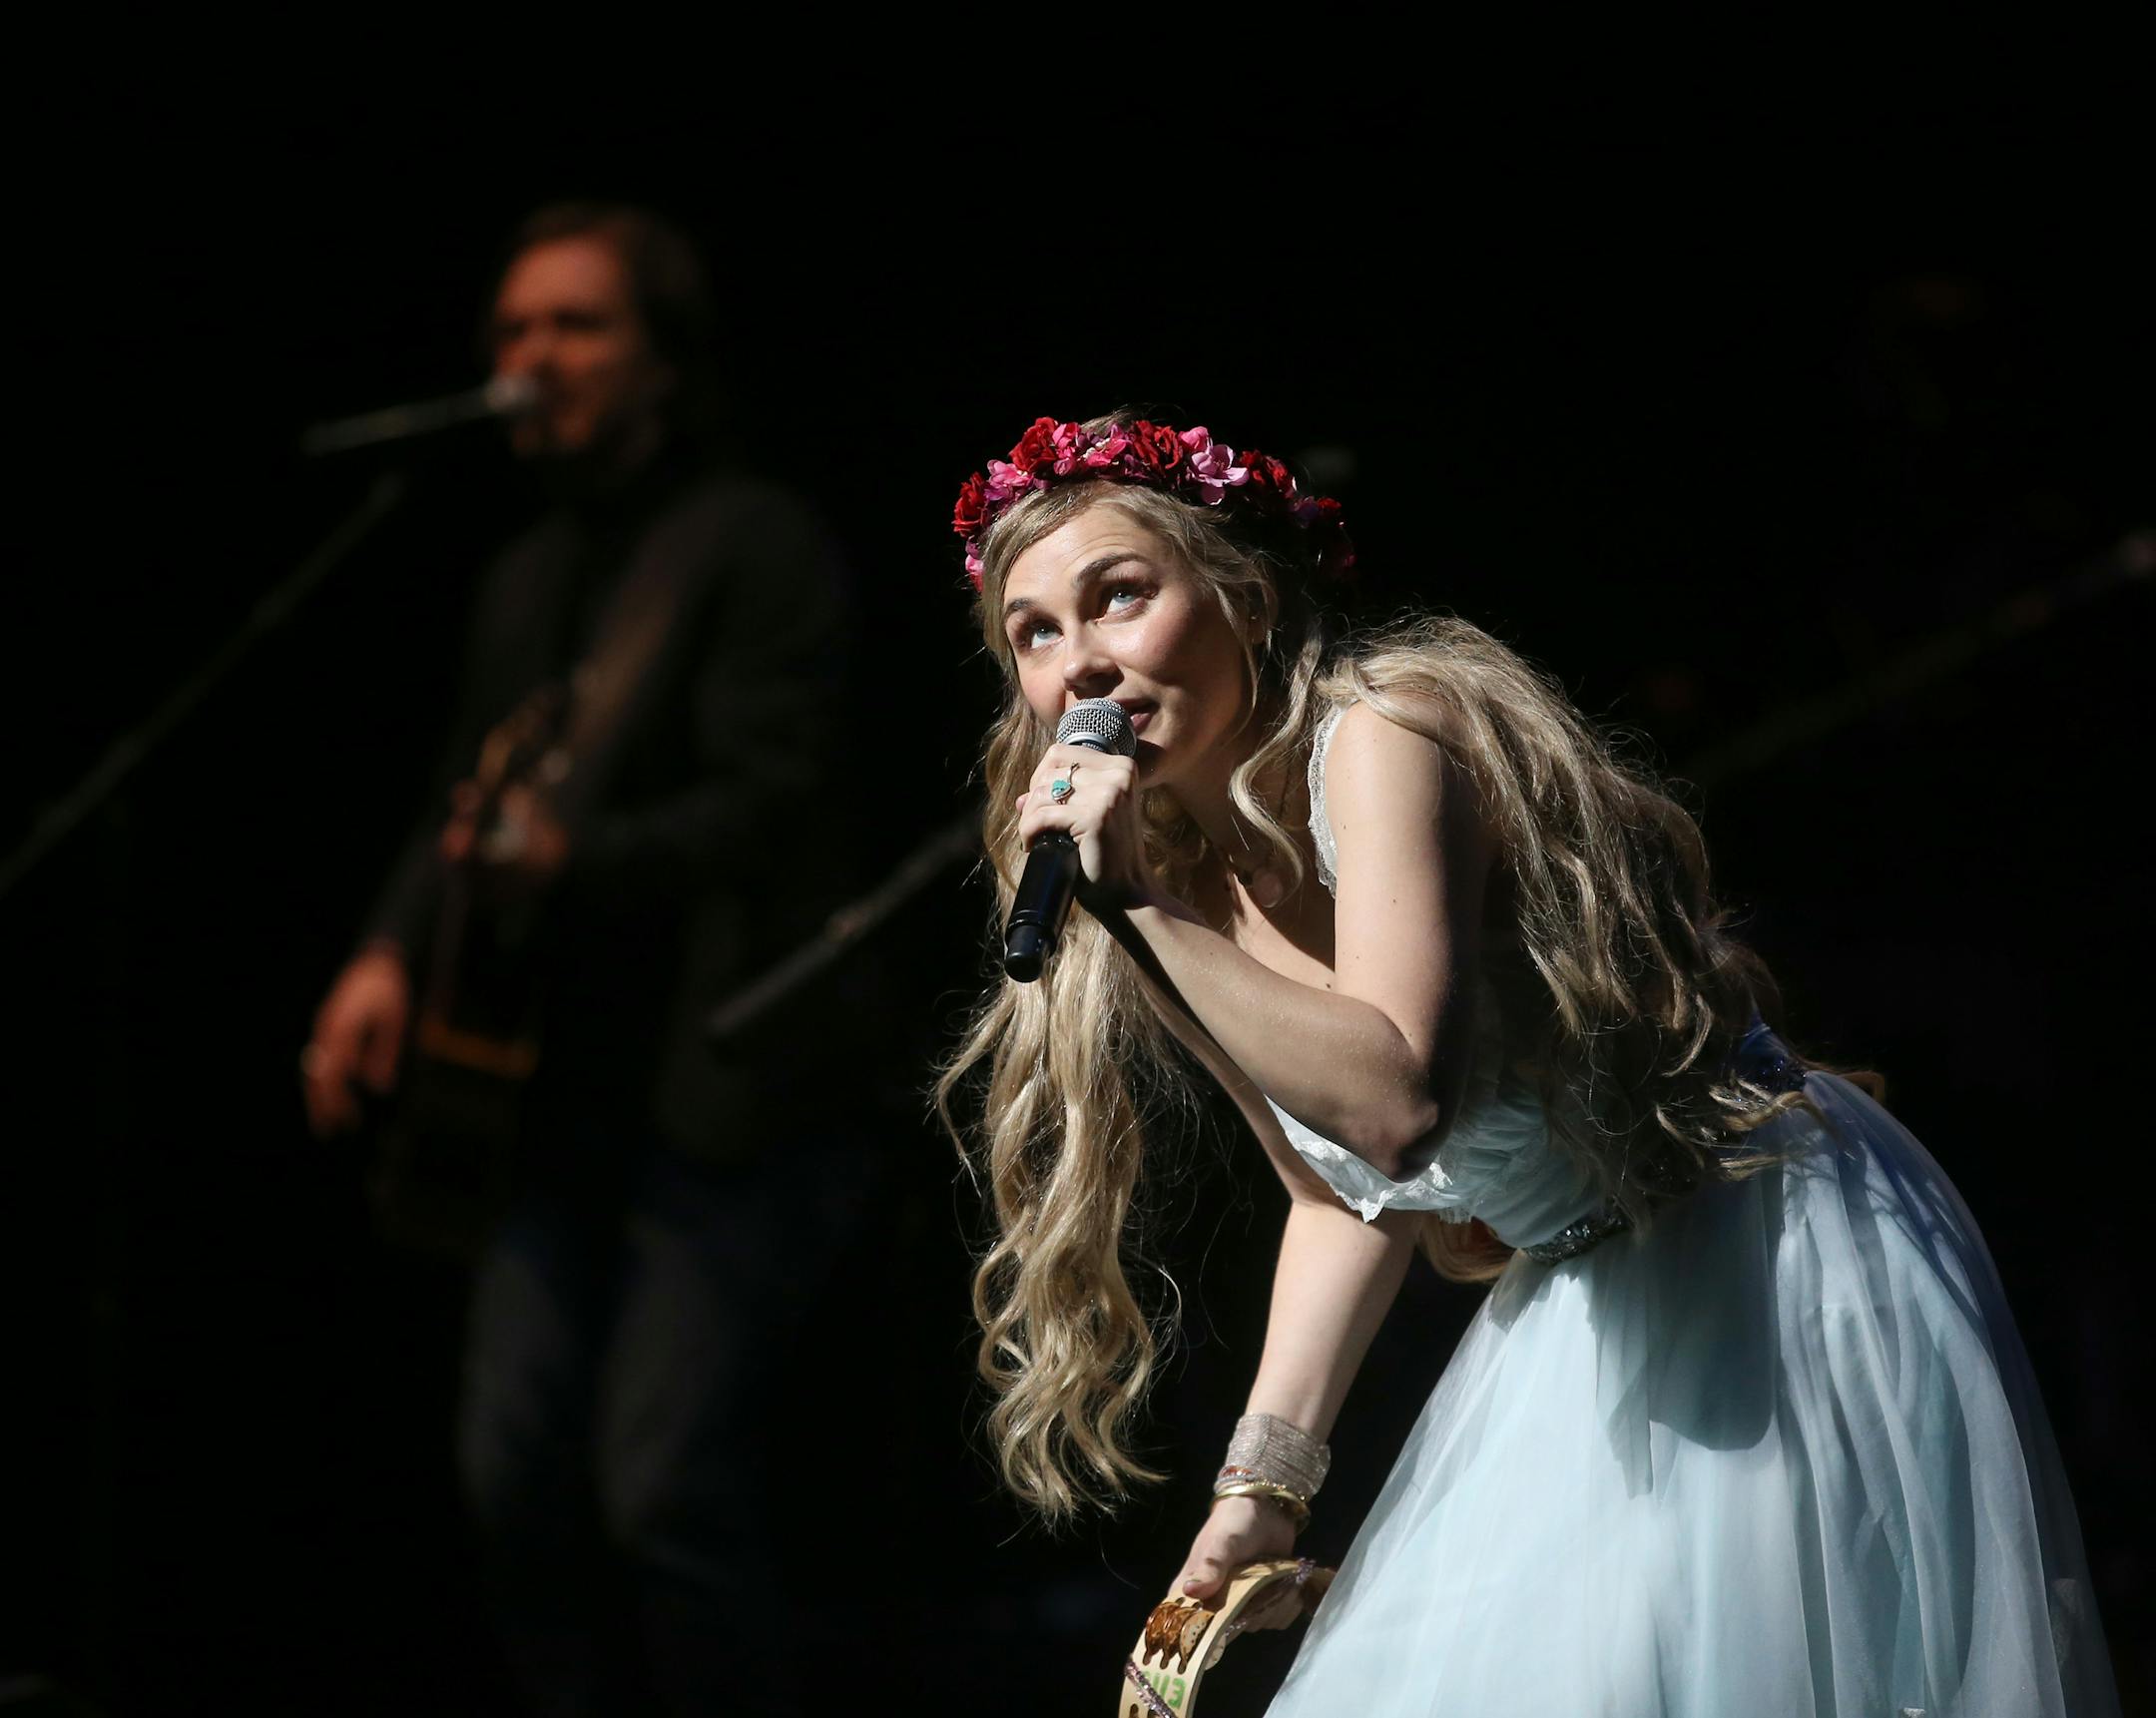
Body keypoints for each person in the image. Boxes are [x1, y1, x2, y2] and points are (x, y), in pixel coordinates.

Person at [936, 412, 2119, 1714]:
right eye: (1036, 631)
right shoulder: (1165, 890)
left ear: (1244, 594)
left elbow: (1396, 1105)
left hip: (1758, 1255)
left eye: (1120, 596)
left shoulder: (1385, 732)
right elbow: (1342, 1193)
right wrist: (1259, 1490)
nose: (1081, 664)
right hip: (1582, 1301)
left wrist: (1140, 917)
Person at [300, 204, 857, 1715]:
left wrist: (581, 859)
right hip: (545, 1100)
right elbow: (463, 799)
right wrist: (384, 956)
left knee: (663, 1490)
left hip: (717, 1089)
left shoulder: (748, 543)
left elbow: (783, 796)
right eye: (511, 333)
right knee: (510, 1483)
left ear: (664, 360)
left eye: (575, 326)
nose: (530, 359)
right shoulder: (526, 578)